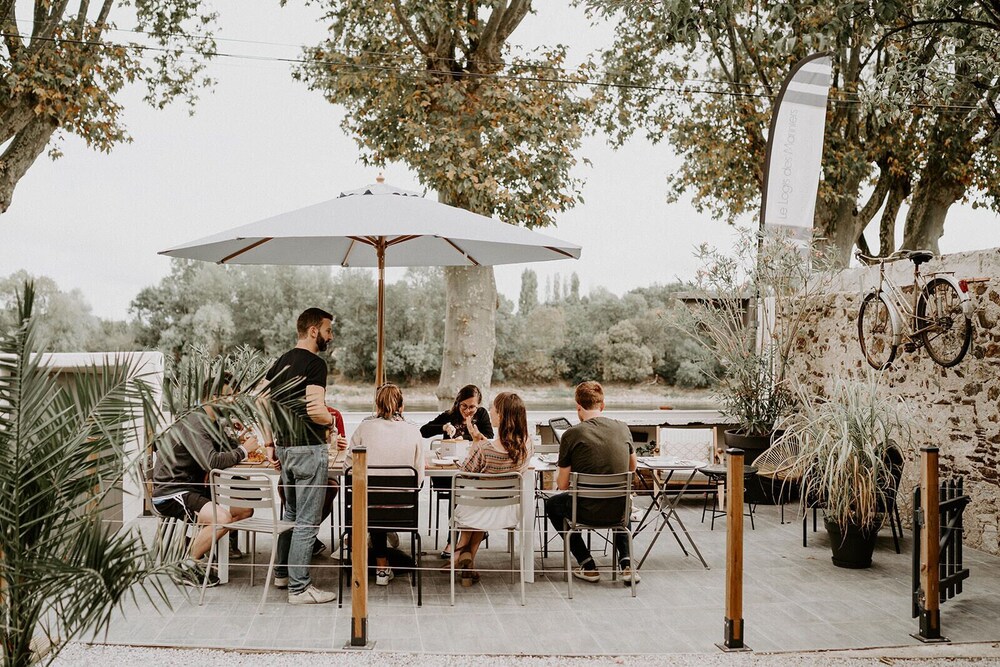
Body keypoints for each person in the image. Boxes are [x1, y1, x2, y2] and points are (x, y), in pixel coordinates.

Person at [151, 374, 260, 587]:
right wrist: (244, 451)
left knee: (245, 510)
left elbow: (223, 448)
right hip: (173, 490)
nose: (233, 401)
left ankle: (196, 543)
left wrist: (238, 441)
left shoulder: (211, 421)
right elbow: (212, 461)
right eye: (229, 396)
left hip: (193, 488)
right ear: (212, 397)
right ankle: (187, 566)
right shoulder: (196, 421)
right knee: (222, 518)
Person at [263, 307, 337, 605]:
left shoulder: (280, 362)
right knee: (307, 521)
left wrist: (268, 443)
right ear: (313, 331)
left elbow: (260, 401)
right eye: (328, 330)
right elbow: (315, 409)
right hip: (308, 448)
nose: (331, 336)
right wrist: (331, 421)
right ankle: (299, 588)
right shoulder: (315, 364)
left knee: (291, 515)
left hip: (285, 449)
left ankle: (282, 574)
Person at [544, 380, 640, 585]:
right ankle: (626, 563)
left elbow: (562, 485)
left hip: (584, 511)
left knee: (552, 504)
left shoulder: (572, 434)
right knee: (622, 499)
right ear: (602, 405)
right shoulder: (623, 428)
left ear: (578, 407)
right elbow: (632, 468)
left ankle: (587, 564)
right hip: (617, 512)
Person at [347, 383, 425, 586]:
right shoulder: (413, 431)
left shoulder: (364, 428)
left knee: (374, 499)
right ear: (402, 406)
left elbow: (349, 468)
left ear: (377, 405)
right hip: (404, 509)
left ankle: (381, 566)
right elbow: (419, 478)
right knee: (383, 500)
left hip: (370, 509)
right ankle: (383, 563)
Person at [451, 392, 531, 587]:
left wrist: (476, 442)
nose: (491, 412)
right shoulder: (527, 445)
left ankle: (459, 551)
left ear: (501, 415)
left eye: (493, 409)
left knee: (476, 503)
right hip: (508, 511)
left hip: (478, 511)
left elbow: (464, 473)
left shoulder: (486, 448)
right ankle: (468, 564)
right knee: (481, 504)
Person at [420, 384, 494, 558]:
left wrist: (469, 436)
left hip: (472, 469)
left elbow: (490, 437)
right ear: (458, 403)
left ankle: (455, 541)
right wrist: (443, 427)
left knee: (462, 489)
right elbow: (423, 431)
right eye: (464, 406)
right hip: (448, 470)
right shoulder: (449, 415)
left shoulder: (482, 415)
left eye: (472, 407)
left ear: (478, 405)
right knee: (458, 488)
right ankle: (467, 534)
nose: (467, 411)